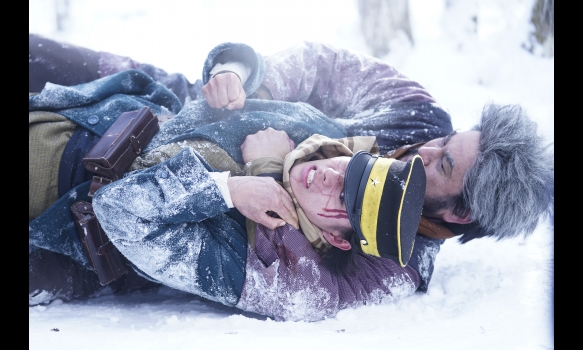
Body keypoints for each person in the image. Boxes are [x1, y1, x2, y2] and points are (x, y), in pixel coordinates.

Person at [29, 35, 554, 320]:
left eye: (444, 164)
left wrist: (258, 174)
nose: (424, 150)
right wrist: (241, 81)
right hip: (157, 107)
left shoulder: (393, 264)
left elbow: (301, 291)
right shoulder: (419, 120)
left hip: (93, 216)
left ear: (461, 212)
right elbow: (322, 65)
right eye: (448, 139)